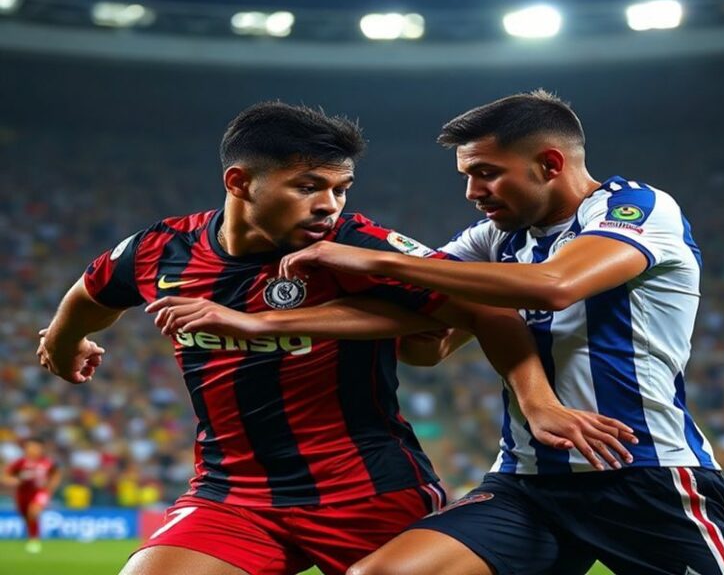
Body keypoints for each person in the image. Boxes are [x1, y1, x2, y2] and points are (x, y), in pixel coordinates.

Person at [37, 101, 634, 575]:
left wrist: (538, 402)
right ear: (240, 182)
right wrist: (65, 348)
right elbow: (89, 297)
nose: (329, 205)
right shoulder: (159, 249)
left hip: (369, 491)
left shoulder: (358, 246)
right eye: (307, 186)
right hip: (232, 494)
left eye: (340, 187)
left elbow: (489, 308)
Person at [278, 90, 724, 575]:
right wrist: (268, 321)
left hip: (642, 472)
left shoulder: (638, 207)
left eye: (486, 172)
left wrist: (376, 260)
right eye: (467, 176)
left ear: (549, 163)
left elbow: (555, 285)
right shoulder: (495, 239)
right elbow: (428, 345)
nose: (472, 192)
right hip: (526, 481)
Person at [1, 437, 61, 553]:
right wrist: (15, 480)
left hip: (40, 492)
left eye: (36, 447)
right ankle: (31, 536)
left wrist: (50, 487)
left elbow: (56, 474)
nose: (33, 449)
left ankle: (34, 540)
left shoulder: (47, 462)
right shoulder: (20, 463)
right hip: (22, 493)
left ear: (41, 449)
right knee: (25, 515)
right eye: (30, 446)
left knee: (33, 511)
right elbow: (5, 476)